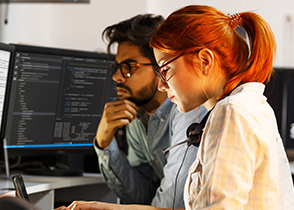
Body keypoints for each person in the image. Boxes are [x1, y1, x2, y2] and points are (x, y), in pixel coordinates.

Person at [56, 5, 294, 210]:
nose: (161, 85)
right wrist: (102, 207)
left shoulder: (230, 112)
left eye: (165, 69)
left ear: (204, 61)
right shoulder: (245, 105)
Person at [94, 14, 206, 208]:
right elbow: (140, 196)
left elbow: (173, 203)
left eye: (128, 67)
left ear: (160, 66)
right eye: (117, 67)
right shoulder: (138, 117)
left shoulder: (190, 109)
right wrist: (104, 143)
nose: (116, 77)